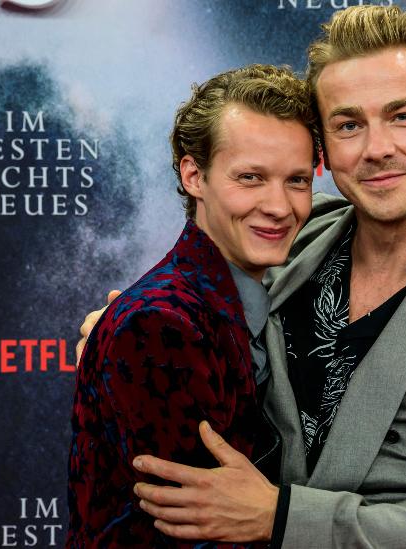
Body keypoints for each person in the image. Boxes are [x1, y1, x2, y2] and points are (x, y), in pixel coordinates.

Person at [81, 6, 406, 548]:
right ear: (324, 152)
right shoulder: (297, 233)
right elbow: (194, 319)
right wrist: (121, 337)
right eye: (349, 124)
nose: (378, 148)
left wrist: (280, 516)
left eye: (403, 116)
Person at [65, 64, 319, 548]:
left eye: (297, 181)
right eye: (250, 178)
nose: (279, 205)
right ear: (194, 175)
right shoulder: (161, 325)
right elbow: (194, 535)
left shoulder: (254, 296)